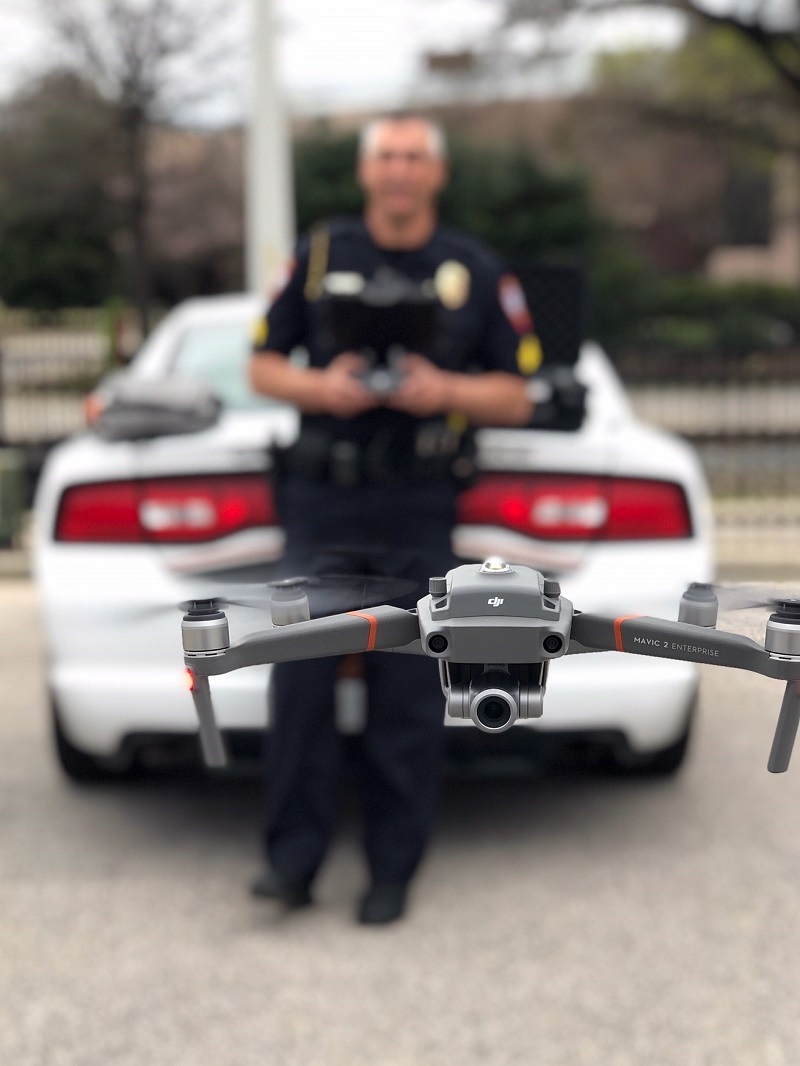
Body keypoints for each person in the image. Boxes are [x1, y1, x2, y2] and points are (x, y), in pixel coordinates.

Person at [248, 112, 537, 924]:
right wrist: (320, 386)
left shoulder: (474, 268)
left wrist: (445, 390)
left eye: (414, 157)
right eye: (387, 158)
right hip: (323, 506)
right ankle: (292, 865)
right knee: (299, 688)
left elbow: (518, 391)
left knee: (405, 700)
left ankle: (391, 874)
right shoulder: (320, 255)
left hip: (417, 509)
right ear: (365, 172)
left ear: (436, 174)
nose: (400, 171)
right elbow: (261, 363)